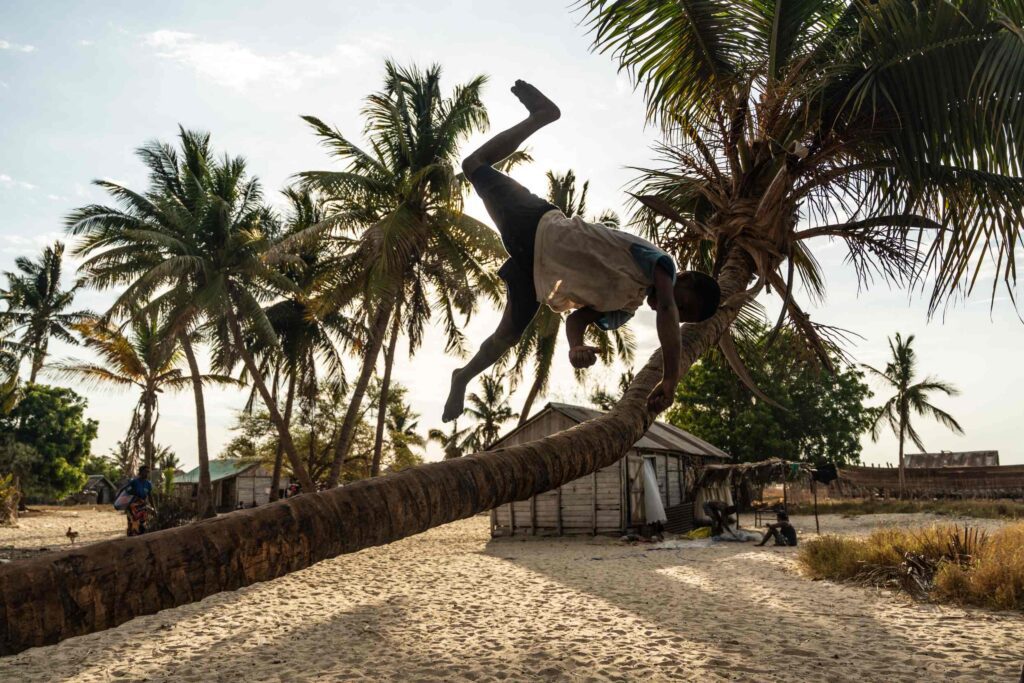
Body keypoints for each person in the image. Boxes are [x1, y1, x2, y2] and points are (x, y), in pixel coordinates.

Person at [442, 80, 721, 422]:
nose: (674, 311)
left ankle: (463, 377)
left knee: (507, 337)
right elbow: (665, 306)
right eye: (683, 306)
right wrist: (671, 377)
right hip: (540, 224)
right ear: (686, 279)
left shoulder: (624, 310)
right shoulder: (658, 263)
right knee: (474, 165)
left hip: (535, 274)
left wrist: (575, 346)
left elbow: (576, 319)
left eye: (682, 316)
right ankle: (543, 115)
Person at [125, 465, 153, 537]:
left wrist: (153, 507)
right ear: (140, 472)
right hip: (132, 507)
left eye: (148, 472)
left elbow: (150, 496)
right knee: (132, 524)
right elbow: (126, 492)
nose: (147, 474)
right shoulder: (134, 482)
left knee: (142, 525)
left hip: (142, 507)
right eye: (145, 472)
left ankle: (140, 540)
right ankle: (131, 540)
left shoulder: (148, 484)